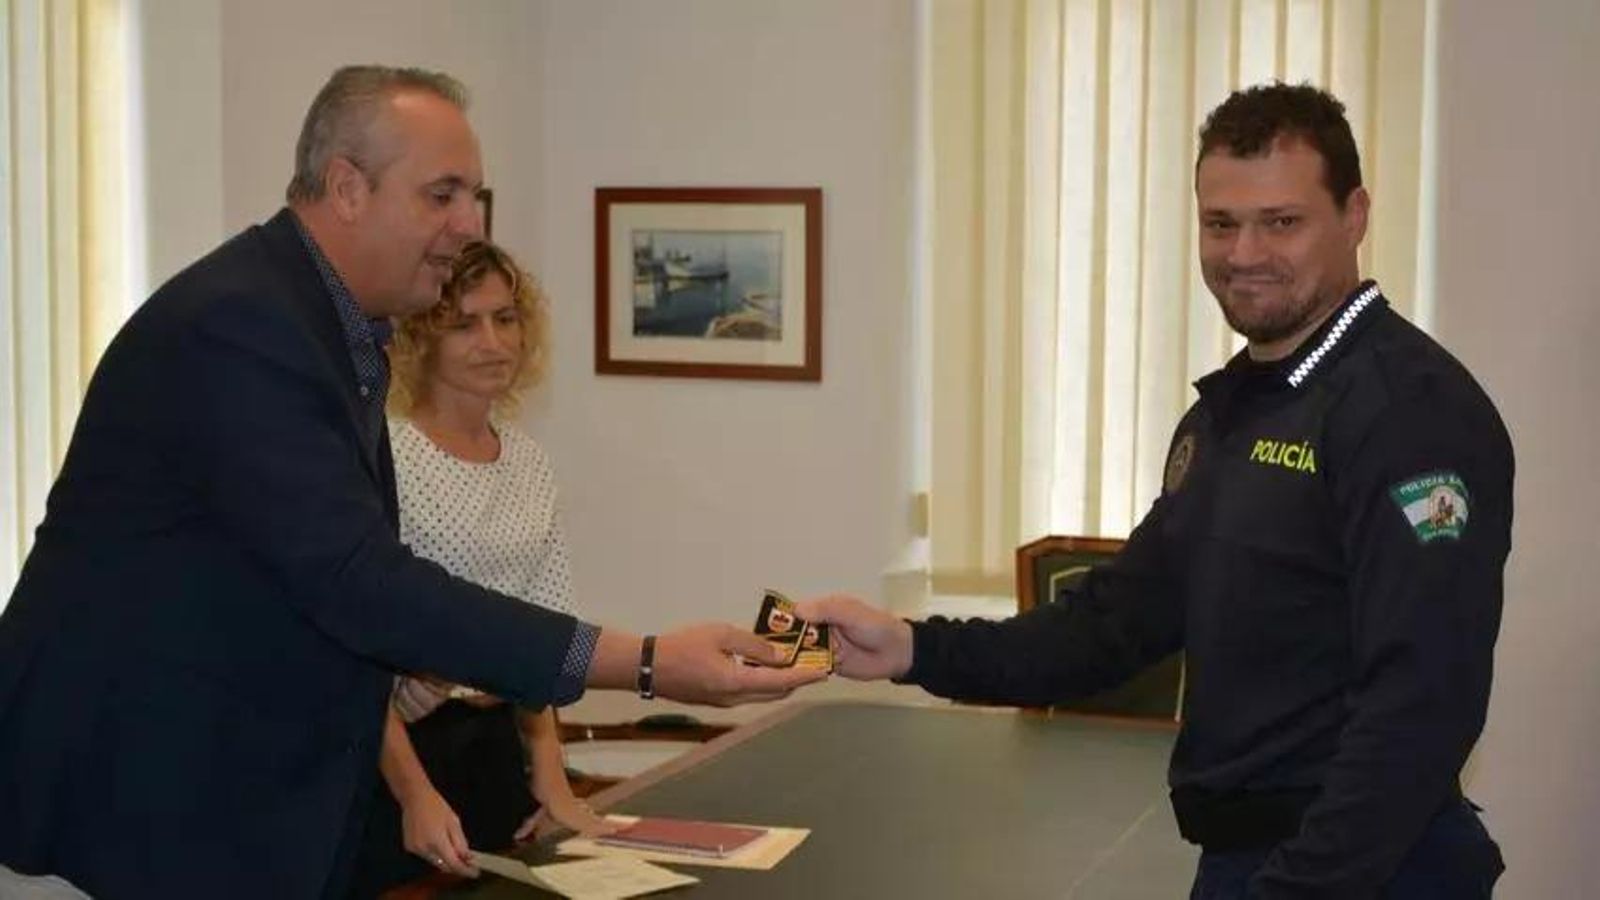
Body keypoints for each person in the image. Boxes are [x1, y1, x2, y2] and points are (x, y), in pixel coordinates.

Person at [0, 65, 820, 900]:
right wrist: (644, 662)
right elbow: (359, 581)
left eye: (474, 196)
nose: (471, 224)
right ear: (347, 188)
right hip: (134, 802)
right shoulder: (243, 323)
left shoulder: (334, 329)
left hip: (231, 798)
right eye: (442, 195)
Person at [799, 82, 1511, 898]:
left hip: (1365, 873)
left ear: (1354, 216)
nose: (1244, 253)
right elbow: (1109, 626)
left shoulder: (1409, 412)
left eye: (1282, 222)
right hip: (1249, 856)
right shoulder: (1231, 411)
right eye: (1220, 223)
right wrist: (911, 648)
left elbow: (1420, 707)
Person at [345, 240, 610, 897]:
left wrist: (552, 779)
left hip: (494, 748)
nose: (493, 342)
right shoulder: (384, 455)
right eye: (464, 324)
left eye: (505, 318)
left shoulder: (529, 460)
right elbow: (350, 655)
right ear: (422, 338)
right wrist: (414, 794)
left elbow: (540, 637)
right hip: (390, 755)